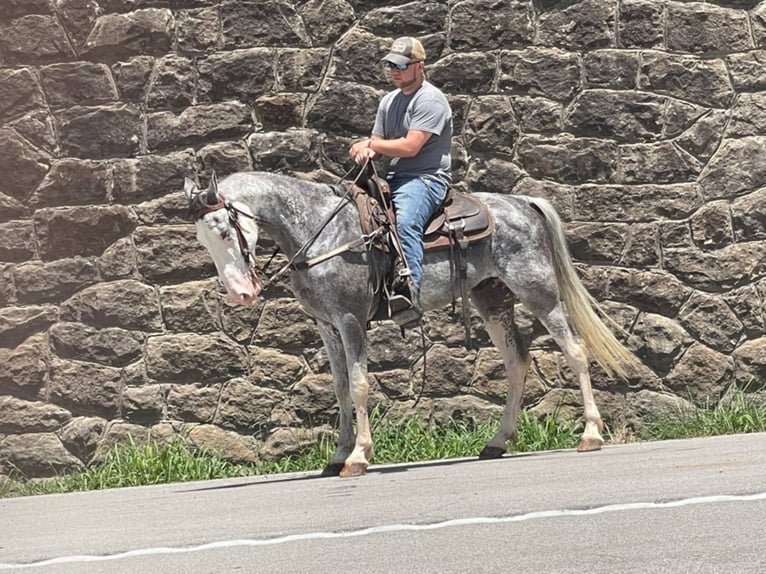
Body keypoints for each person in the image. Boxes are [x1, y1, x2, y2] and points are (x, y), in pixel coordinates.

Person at [349, 36, 453, 326]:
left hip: (426, 178)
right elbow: (379, 142)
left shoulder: (431, 99)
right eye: (391, 65)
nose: (395, 71)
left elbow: (410, 147)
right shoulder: (388, 101)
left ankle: (409, 291)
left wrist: (371, 144)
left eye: (401, 66)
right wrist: (366, 149)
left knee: (405, 221)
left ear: (419, 66)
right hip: (393, 178)